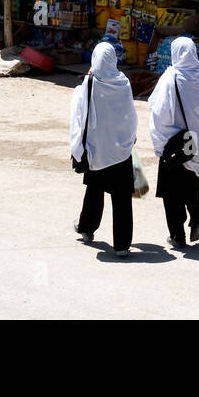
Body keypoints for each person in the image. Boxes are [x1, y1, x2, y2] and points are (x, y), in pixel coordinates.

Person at [149, 38, 199, 248]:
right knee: (191, 183)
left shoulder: (170, 79)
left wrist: (160, 142)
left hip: (173, 144)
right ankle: (197, 218)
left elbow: (160, 112)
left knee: (171, 192)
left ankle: (177, 235)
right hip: (195, 142)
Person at [70, 42, 138, 257]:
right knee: (122, 198)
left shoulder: (89, 83)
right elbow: (130, 115)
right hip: (120, 149)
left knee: (94, 190)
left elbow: (79, 116)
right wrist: (130, 139)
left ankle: (87, 229)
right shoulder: (123, 82)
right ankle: (122, 246)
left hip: (97, 148)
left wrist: (77, 147)